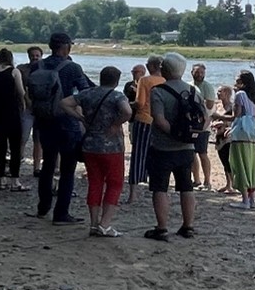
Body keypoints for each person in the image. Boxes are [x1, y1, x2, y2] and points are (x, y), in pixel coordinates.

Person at [28, 32, 89, 224]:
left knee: (47, 165)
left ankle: (43, 207)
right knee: (67, 169)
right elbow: (86, 92)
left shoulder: (39, 65)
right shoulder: (72, 67)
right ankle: (61, 213)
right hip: (67, 123)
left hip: (44, 120)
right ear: (65, 47)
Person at [63, 64, 130, 237]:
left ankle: (93, 224)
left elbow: (64, 103)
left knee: (95, 183)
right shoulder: (116, 96)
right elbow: (127, 111)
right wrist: (116, 123)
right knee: (115, 183)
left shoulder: (88, 93)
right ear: (116, 81)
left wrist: (80, 118)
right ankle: (105, 224)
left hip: (90, 145)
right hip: (112, 146)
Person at [145, 53, 203, 240]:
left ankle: (161, 228)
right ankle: (188, 226)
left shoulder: (158, 91)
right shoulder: (194, 91)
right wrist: (187, 136)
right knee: (186, 186)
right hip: (187, 148)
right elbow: (204, 118)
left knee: (160, 188)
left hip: (162, 147)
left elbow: (159, 120)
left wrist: (173, 134)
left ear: (164, 69)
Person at [0, 48, 27, 191]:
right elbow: (21, 92)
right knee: (15, 147)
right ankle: (15, 181)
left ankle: (1, 179)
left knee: (0, 147)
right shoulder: (14, 72)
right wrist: (23, 102)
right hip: (11, 112)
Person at [126, 55, 161, 200]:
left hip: (144, 119)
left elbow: (139, 103)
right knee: (157, 155)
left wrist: (128, 104)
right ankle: (156, 187)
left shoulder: (144, 81)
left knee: (138, 155)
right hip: (158, 121)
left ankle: (133, 193)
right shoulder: (165, 80)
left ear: (151, 66)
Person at [229, 69, 255, 208]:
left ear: (242, 83)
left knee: (239, 164)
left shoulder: (240, 95)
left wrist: (218, 118)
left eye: (237, 81)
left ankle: (244, 200)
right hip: (252, 134)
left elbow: (235, 115)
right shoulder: (254, 97)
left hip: (240, 133)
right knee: (251, 165)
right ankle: (252, 200)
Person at [190, 62, 217, 188]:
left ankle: (207, 180)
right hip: (191, 124)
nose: (199, 75)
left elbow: (210, 106)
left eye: (201, 72)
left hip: (203, 125)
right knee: (191, 152)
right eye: (197, 72)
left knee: (202, 153)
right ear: (192, 73)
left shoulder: (207, 87)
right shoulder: (189, 85)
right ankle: (196, 179)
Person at [21, 44, 45, 175]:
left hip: (41, 109)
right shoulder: (22, 69)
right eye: (33, 56)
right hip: (27, 108)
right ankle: (17, 162)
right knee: (23, 137)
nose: (35, 58)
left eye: (37, 56)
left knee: (38, 139)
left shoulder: (46, 70)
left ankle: (37, 167)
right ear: (28, 56)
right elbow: (21, 88)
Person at [211, 84, 235, 192]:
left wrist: (221, 122)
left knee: (229, 160)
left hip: (228, 136)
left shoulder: (232, 106)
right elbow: (213, 118)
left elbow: (234, 120)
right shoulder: (218, 106)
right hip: (218, 136)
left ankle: (233, 184)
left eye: (221, 91)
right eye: (218, 91)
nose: (218, 93)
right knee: (223, 160)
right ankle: (228, 183)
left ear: (227, 94)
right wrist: (214, 124)